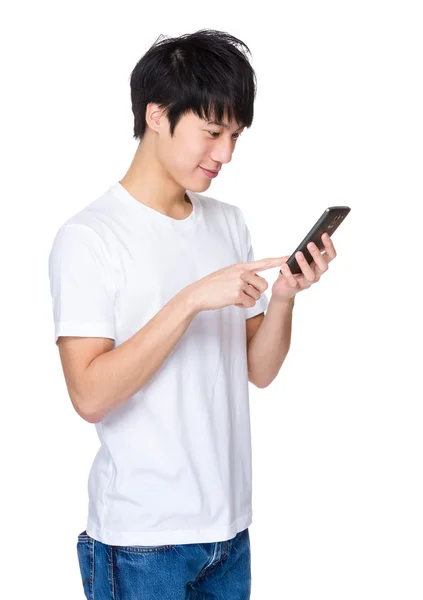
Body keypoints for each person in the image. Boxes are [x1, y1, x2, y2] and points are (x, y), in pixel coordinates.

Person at [48, 28, 335, 600]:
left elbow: (259, 369)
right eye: (212, 131)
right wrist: (190, 299)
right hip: (142, 541)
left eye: (234, 135)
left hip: (229, 532)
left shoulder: (228, 222)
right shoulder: (89, 237)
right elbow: (89, 396)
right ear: (157, 115)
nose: (225, 154)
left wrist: (282, 299)